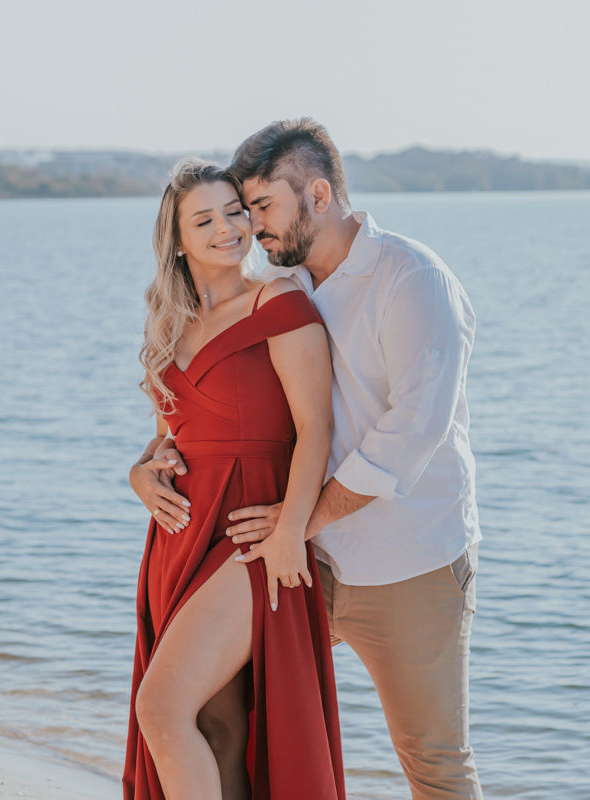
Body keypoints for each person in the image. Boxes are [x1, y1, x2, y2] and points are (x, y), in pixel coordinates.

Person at [142, 120, 484, 799]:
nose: (250, 227)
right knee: (227, 716)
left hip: (404, 562)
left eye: (261, 206)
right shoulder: (284, 284)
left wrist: (298, 522)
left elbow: (411, 433)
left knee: (433, 761)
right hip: (301, 559)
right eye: (243, 208)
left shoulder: (410, 278)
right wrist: (150, 460)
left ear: (319, 194)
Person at [123, 158, 347, 800]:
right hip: (178, 540)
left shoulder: (278, 300)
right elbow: (173, 433)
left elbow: (316, 429)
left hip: (250, 535)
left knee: (160, 708)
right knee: (216, 725)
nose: (228, 228)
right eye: (205, 219)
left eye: (234, 211)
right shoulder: (169, 323)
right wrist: (140, 474)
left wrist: (290, 534)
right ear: (178, 237)